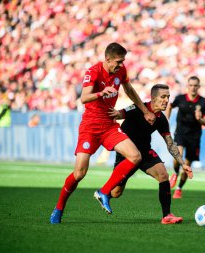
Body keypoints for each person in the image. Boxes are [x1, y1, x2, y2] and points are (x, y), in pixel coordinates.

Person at [50, 42, 156, 224]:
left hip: (109, 125)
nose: (121, 65)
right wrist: (101, 93)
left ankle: (104, 192)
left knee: (135, 156)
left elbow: (129, 90)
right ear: (107, 59)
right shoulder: (94, 71)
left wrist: (145, 111)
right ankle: (59, 208)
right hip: (90, 127)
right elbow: (84, 97)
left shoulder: (121, 72)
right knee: (79, 173)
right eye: (118, 61)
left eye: (123, 61)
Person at [108, 84, 193, 224]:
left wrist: (183, 163)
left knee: (163, 175)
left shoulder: (161, 119)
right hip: (127, 154)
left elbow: (170, 143)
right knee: (116, 193)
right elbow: (118, 114)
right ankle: (104, 193)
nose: (166, 100)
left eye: (168, 97)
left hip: (145, 151)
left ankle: (167, 216)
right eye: (163, 97)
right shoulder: (137, 107)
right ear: (153, 98)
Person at [166, 76, 205, 199]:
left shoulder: (203, 102)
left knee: (187, 165)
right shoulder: (180, 98)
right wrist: (166, 119)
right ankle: (175, 173)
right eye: (191, 85)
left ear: (199, 87)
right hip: (180, 132)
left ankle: (179, 188)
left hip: (194, 136)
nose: (193, 88)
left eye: (195, 85)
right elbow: (170, 106)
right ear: (188, 86)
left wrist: (200, 119)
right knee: (177, 156)